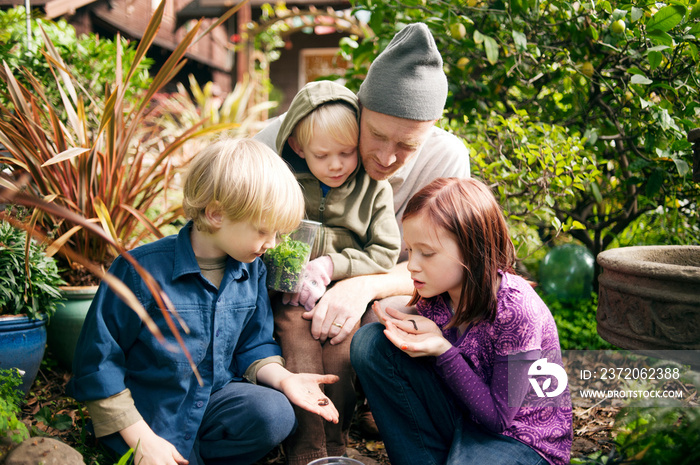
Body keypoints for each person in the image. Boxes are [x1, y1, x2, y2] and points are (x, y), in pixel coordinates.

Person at [254, 21, 470, 452]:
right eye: (375, 135)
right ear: (358, 108)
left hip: (397, 282)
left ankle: (378, 403)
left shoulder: (446, 157)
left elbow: (447, 269)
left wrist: (361, 286)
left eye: (407, 146)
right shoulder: (285, 139)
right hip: (294, 288)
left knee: (380, 320)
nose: (387, 157)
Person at [68, 138, 340, 465]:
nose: (272, 244)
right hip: (150, 416)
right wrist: (141, 439)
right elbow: (98, 361)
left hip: (213, 408)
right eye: (263, 231)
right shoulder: (138, 271)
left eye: (279, 234)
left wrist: (286, 380)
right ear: (215, 214)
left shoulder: (250, 271)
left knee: (276, 412)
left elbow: (254, 344)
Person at [350, 177, 573, 465]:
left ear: (472, 250)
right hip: (465, 416)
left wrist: (443, 351)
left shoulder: (515, 309)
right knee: (372, 343)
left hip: (521, 439)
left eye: (427, 253)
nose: (413, 264)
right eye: (411, 250)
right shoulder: (439, 291)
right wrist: (409, 329)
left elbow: (497, 419)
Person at [271, 79, 401, 463]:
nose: (336, 164)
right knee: (298, 347)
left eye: (347, 152)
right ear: (298, 147)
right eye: (323, 154)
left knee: (341, 352)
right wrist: (288, 271)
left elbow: (386, 252)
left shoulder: (374, 189)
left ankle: (337, 442)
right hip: (293, 296)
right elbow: (266, 236)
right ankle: (307, 450)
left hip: (347, 292)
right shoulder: (283, 183)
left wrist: (334, 264)